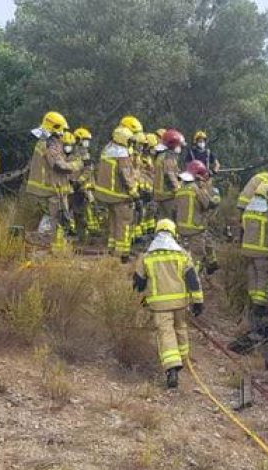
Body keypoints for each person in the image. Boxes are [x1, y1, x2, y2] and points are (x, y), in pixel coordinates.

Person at [132, 219, 204, 389]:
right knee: (180, 328)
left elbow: (138, 283)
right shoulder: (182, 255)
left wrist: (142, 297)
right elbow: (193, 280)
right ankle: (183, 360)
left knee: (166, 333)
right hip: (180, 303)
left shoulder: (147, 257)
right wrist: (198, 302)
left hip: (159, 306)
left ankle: (172, 368)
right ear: (173, 234)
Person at [24, 112, 77, 241]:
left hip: (47, 187)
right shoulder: (49, 144)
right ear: (55, 127)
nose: (62, 133)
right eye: (61, 129)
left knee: (52, 216)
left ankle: (51, 240)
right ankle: (53, 243)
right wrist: (77, 165)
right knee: (55, 216)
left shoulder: (45, 142)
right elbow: (58, 165)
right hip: (49, 187)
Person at [94, 126, 140, 262]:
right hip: (120, 196)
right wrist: (133, 192)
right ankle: (122, 253)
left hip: (107, 195)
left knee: (113, 222)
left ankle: (112, 249)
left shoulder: (107, 150)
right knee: (124, 223)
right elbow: (125, 175)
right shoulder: (122, 154)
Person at [241, 181, 268, 319]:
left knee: (252, 275)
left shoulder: (247, 211)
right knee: (263, 277)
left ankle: (252, 301)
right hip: (262, 252)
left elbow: (244, 227)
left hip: (247, 251)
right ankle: (259, 306)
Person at [155, 129, 185, 218]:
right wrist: (178, 189)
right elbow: (169, 174)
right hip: (167, 195)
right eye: (179, 145)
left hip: (160, 195)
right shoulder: (168, 157)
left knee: (162, 221)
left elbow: (173, 172)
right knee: (171, 220)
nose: (180, 147)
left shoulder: (162, 155)